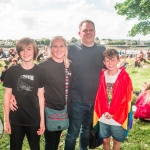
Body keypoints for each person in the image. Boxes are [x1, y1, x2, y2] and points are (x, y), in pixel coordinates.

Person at [10, 36, 72, 150]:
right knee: (50, 142)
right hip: (47, 110)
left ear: (66, 48)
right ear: (50, 48)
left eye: (61, 46)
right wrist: (11, 94)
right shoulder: (43, 66)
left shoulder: (69, 66)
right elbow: (27, 83)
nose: (58, 49)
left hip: (63, 110)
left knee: (56, 141)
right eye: (55, 46)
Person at [64, 20, 105, 150]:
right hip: (77, 99)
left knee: (86, 131)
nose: (88, 32)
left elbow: (110, 67)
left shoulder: (101, 49)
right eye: (85, 30)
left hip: (95, 99)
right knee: (72, 134)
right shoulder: (70, 49)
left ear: (95, 32)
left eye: (91, 30)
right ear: (79, 33)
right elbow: (56, 61)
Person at [3, 37, 45, 150]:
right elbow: (7, 95)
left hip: (34, 118)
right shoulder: (12, 70)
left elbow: (41, 97)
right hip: (16, 119)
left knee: (35, 147)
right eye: (22, 50)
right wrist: (6, 120)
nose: (25, 52)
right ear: (18, 52)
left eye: (29, 49)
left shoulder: (40, 71)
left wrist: (42, 121)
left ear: (35, 50)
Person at [93, 49, 133, 150]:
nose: (110, 63)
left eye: (113, 60)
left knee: (116, 141)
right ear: (103, 62)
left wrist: (112, 112)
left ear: (118, 60)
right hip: (103, 114)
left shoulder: (124, 76)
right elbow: (99, 95)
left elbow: (125, 97)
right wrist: (106, 110)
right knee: (105, 140)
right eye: (107, 60)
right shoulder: (102, 75)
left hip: (117, 115)